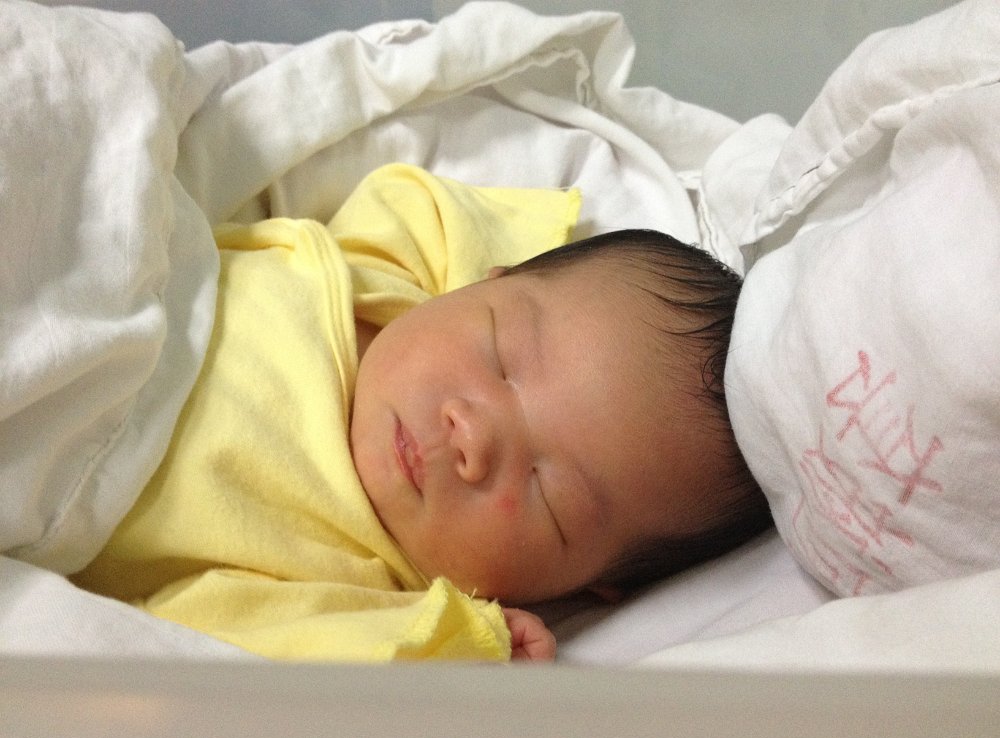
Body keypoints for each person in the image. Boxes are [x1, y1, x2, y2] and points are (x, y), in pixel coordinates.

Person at [73, 164, 770, 662]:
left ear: (583, 585)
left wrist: (459, 642)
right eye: (499, 353)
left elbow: (225, 643)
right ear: (488, 278)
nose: (473, 434)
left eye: (548, 493)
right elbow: (427, 205)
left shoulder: (355, 587)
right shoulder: (388, 276)